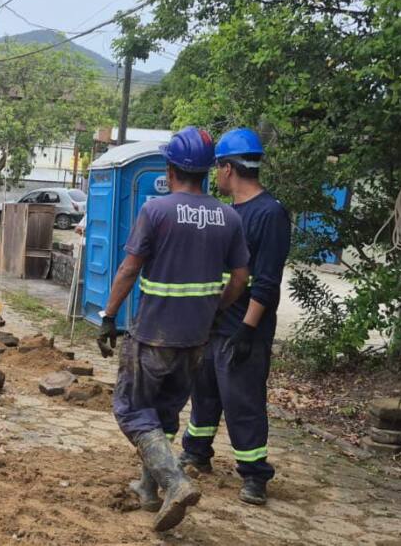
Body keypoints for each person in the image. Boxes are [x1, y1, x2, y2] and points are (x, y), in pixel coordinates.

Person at [98, 126, 250, 532]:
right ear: (206, 170)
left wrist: (108, 316)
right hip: (195, 340)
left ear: (171, 168)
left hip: (153, 335)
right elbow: (239, 278)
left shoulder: (157, 211)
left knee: (131, 410)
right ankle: (149, 492)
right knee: (163, 415)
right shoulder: (229, 216)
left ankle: (173, 481)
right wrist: (214, 310)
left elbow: (130, 268)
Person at [180, 128, 291, 506]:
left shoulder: (270, 214)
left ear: (228, 169)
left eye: (218, 169)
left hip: (244, 330)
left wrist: (248, 328)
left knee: (243, 403)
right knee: (204, 395)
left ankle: (255, 476)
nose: (216, 176)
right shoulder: (225, 212)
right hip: (214, 325)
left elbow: (267, 281)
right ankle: (196, 452)